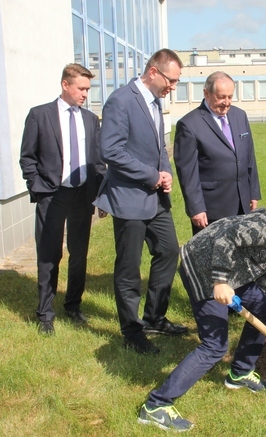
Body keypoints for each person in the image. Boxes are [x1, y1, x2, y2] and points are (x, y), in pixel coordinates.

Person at [137, 197, 266, 432]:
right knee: (215, 345)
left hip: (231, 270)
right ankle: (156, 405)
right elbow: (228, 237)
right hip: (202, 267)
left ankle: (240, 372)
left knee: (264, 307)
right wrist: (220, 281)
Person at [94, 49, 187, 354]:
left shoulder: (156, 102)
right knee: (129, 266)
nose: (172, 86)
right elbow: (110, 150)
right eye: (170, 80)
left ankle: (155, 317)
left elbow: (160, 146)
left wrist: (166, 172)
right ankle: (131, 330)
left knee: (168, 250)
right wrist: (151, 175)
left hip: (156, 197)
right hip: (129, 197)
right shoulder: (121, 100)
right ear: (153, 72)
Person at [19, 63, 106, 335]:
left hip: (82, 195)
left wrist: (100, 194)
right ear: (65, 85)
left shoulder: (91, 119)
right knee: (49, 254)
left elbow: (98, 161)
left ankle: (73, 305)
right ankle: (45, 313)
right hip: (52, 195)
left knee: (78, 254)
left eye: (87, 90)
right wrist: (38, 187)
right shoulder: (39, 115)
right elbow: (27, 157)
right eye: (81, 89)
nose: (85, 94)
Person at [174, 71, 261, 236]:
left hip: (242, 204)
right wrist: (196, 208)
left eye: (230, 97)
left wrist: (253, 192)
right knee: (213, 259)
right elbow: (187, 174)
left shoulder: (239, 116)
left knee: (241, 255)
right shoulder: (189, 125)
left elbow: (249, 157)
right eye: (221, 97)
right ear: (206, 93)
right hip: (212, 209)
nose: (226, 103)